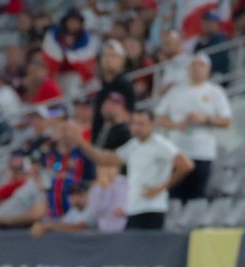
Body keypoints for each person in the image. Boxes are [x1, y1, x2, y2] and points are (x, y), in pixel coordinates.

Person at [73, 112, 194, 230]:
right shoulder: (133, 145)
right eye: (134, 124)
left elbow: (186, 165)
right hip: (133, 208)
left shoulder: (160, 144)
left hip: (152, 209)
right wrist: (80, 142)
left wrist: (161, 188)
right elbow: (105, 159)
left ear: (152, 124)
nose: (137, 128)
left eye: (141, 124)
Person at [155, 54, 232, 202]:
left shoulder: (215, 91)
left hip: (202, 152)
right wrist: (177, 125)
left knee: (197, 196)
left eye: (201, 65)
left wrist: (205, 119)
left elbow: (226, 121)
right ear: (188, 69)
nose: (196, 69)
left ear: (208, 70)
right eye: (193, 65)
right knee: (174, 195)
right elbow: (160, 117)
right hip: (177, 151)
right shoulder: (176, 91)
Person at [91, 41, 135, 142]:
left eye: (113, 55)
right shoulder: (99, 85)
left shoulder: (125, 85)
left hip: (117, 142)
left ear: (122, 60)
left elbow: (130, 116)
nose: (108, 59)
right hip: (99, 140)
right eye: (105, 55)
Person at [0, 153, 45, 229]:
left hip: (15, 229)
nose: (15, 175)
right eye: (13, 171)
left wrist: (6, 220)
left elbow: (37, 213)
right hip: (0, 228)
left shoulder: (32, 186)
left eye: (18, 172)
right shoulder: (9, 187)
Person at [156, 30, 191, 96]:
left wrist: (172, 87)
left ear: (178, 43)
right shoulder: (164, 62)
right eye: (164, 44)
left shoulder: (188, 60)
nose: (165, 47)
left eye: (168, 44)